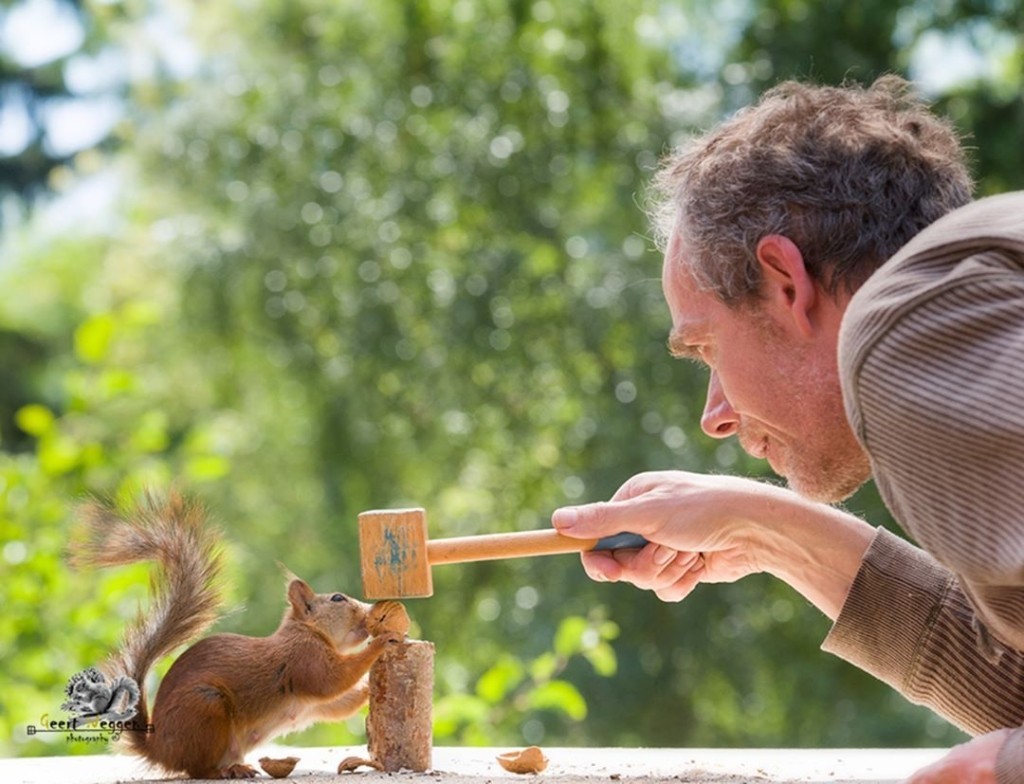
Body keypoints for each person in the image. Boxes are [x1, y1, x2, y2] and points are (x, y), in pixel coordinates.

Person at [551, 75, 1024, 784]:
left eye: (706, 347)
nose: (714, 416)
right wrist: (766, 530)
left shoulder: (898, 328)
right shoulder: (976, 292)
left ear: (785, 281)